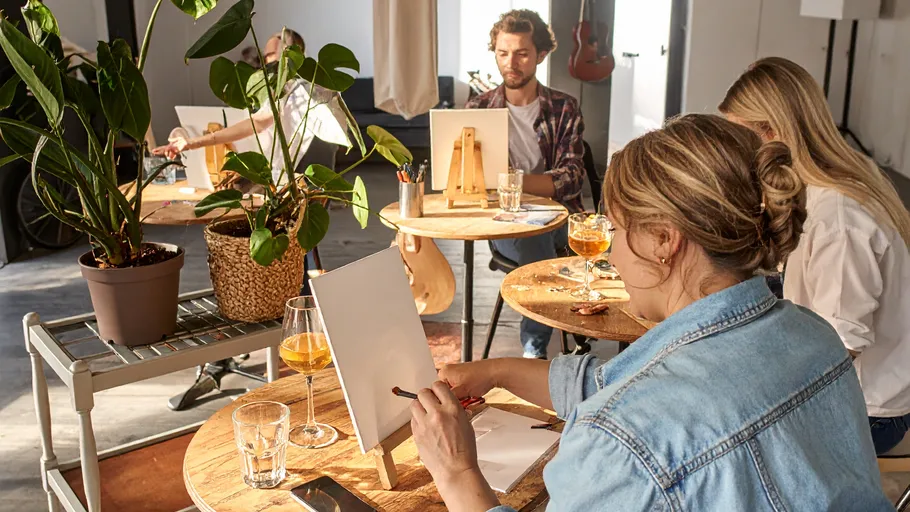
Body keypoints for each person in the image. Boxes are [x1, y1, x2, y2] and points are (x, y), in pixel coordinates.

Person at [408, 114, 891, 511]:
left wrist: (457, 473)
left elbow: (640, 419)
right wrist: (494, 372)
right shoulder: (814, 337)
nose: (610, 254)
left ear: (663, 240)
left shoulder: (622, 438)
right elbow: (620, 385)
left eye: (615, 230)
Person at [720, 57, 910, 455]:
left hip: (868, 411)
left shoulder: (838, 219)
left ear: (772, 132)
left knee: (721, 438)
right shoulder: (831, 184)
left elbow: (838, 346)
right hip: (854, 386)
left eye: (739, 139)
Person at [466, 9, 585, 359]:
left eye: (521, 53)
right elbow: (472, 181)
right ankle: (535, 352)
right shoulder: (479, 108)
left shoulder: (563, 107)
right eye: (503, 53)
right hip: (506, 225)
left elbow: (572, 178)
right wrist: (530, 187)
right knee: (534, 239)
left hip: (562, 219)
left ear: (540, 55)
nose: (510, 63)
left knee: (553, 235)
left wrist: (508, 182)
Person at [152, 29, 349, 184]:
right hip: (308, 173)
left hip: (297, 174)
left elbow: (258, 123)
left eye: (270, 54)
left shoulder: (294, 87)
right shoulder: (308, 84)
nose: (265, 61)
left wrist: (194, 142)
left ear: (291, 53)